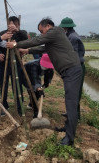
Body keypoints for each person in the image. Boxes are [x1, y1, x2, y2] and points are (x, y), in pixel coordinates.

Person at [7, 18, 82, 146]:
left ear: (48, 26)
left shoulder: (55, 31)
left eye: (42, 31)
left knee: (71, 103)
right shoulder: (54, 37)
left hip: (72, 71)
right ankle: (68, 128)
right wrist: (28, 51)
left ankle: (69, 139)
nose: (42, 34)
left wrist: (16, 44)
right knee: (69, 101)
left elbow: (37, 41)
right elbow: (43, 48)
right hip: (69, 72)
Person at [0, 16, 28, 115]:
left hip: (17, 63)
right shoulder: (3, 33)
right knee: (4, 85)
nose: (12, 26)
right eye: (10, 24)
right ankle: (4, 105)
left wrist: (17, 30)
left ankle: (19, 107)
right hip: (4, 64)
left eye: (15, 24)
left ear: (18, 24)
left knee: (17, 85)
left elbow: (26, 41)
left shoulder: (22, 33)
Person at [59, 17, 85, 121]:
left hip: (76, 67)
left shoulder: (72, 38)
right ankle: (71, 113)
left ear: (65, 27)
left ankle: (75, 117)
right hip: (74, 67)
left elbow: (72, 55)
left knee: (75, 94)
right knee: (71, 92)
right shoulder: (69, 35)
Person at [23, 53, 54, 118]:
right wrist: (38, 88)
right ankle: (35, 112)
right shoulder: (33, 65)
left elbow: (48, 75)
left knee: (37, 92)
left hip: (36, 76)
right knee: (33, 92)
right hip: (26, 75)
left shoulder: (49, 68)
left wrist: (46, 84)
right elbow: (34, 78)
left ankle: (31, 104)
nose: (47, 67)